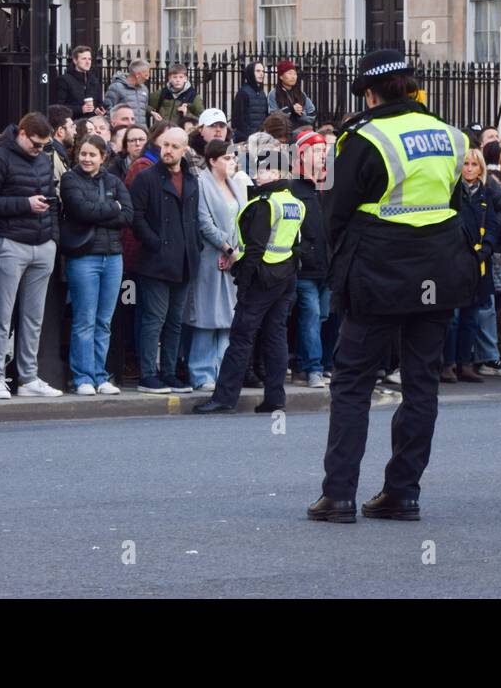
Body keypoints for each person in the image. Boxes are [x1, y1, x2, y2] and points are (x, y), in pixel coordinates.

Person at [308, 48, 476, 524]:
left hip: (377, 274)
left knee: (353, 383)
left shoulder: (361, 136)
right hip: (439, 270)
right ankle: (402, 493)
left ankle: (338, 495)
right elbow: (454, 200)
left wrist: (339, 266)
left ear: (369, 91)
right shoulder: (449, 134)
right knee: (422, 384)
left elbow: (336, 212)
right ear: (412, 85)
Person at [194, 146, 306, 414]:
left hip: (261, 278)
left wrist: (243, 284)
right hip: (285, 277)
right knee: (276, 337)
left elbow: (255, 249)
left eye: (265, 169)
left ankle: (224, 398)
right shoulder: (294, 202)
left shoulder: (265, 204)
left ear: (279, 172)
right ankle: (275, 398)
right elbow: (298, 243)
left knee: (242, 337)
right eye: (257, 168)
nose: (258, 174)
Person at [0, 113, 64, 399]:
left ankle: (27, 377)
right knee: (2, 316)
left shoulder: (42, 158)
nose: (41, 150)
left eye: (44, 145)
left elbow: (52, 200)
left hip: (40, 243)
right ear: (23, 133)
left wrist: (52, 238)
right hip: (9, 243)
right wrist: (26, 204)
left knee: (33, 317)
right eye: (37, 144)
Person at [59, 133, 133, 395]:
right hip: (84, 257)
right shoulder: (69, 179)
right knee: (84, 320)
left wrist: (100, 211)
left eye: (92, 154)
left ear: (103, 157)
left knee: (104, 321)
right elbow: (80, 210)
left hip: (113, 256)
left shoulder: (113, 180)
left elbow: (128, 215)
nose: (87, 158)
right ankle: (83, 378)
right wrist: (110, 208)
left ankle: (101, 375)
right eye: (83, 153)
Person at [129, 126, 200, 394]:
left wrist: (195, 245)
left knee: (174, 321)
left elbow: (192, 220)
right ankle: (148, 374)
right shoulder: (146, 177)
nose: (167, 151)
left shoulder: (191, 180)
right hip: (156, 261)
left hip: (184, 260)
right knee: (154, 319)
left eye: (173, 146)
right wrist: (155, 243)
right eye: (164, 145)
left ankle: (169, 372)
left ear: (184, 150)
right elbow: (136, 216)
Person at [184, 139, 248, 392]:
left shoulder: (234, 185)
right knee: (207, 314)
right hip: (210, 256)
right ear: (212, 160)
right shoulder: (202, 184)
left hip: (232, 257)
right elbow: (203, 221)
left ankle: (223, 371)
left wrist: (236, 251)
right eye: (226, 158)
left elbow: (242, 219)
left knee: (227, 316)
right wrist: (226, 248)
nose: (232, 162)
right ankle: (201, 372)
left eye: (233, 158)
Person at [449, 147, 501, 385]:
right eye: (465, 164)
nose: (469, 169)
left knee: (471, 319)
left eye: (474, 165)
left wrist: (485, 250)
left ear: (481, 169)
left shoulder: (485, 194)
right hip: (455, 263)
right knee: (453, 319)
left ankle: (466, 363)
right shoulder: (453, 193)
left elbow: (494, 226)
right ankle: (449, 363)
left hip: (478, 265)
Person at [291, 129, 333, 388]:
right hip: (305, 267)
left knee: (321, 317)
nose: (321, 156)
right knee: (311, 316)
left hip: (327, 267)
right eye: (316, 151)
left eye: (323, 151)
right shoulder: (295, 187)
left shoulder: (328, 186)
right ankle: (313, 368)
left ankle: (301, 364)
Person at [60, 45, 107, 118]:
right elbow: (59, 106)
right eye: (84, 59)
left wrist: (99, 110)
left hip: (92, 123)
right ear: (75, 61)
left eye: (89, 59)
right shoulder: (64, 80)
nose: (88, 62)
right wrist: (80, 109)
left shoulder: (94, 80)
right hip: (74, 123)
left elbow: (99, 103)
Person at [267, 60, 316, 125]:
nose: (293, 77)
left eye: (295, 74)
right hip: (283, 132)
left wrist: (300, 114)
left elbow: (312, 114)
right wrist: (291, 110)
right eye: (289, 73)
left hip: (301, 131)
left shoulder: (301, 94)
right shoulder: (273, 94)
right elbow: (273, 117)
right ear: (281, 76)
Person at [104, 59, 151, 128]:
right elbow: (109, 112)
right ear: (137, 75)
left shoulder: (144, 89)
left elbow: (143, 110)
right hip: (123, 132)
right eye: (146, 75)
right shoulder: (116, 87)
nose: (147, 78)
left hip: (141, 131)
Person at [231, 60, 269, 143]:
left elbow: (265, 117)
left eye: (263, 71)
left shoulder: (262, 93)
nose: (261, 74)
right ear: (251, 73)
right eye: (258, 71)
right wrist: (250, 136)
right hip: (245, 139)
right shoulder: (243, 93)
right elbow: (238, 120)